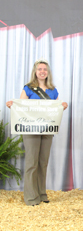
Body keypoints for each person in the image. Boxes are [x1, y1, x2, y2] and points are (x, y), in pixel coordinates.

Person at [6, 58, 68, 206]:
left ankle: (41, 194)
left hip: (47, 129)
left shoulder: (53, 90)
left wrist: (63, 105)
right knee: (31, 163)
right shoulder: (28, 88)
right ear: (35, 72)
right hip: (31, 129)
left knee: (43, 162)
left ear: (48, 73)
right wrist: (12, 106)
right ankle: (30, 197)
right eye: (39, 69)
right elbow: (21, 107)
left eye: (44, 69)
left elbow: (56, 107)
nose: (42, 72)